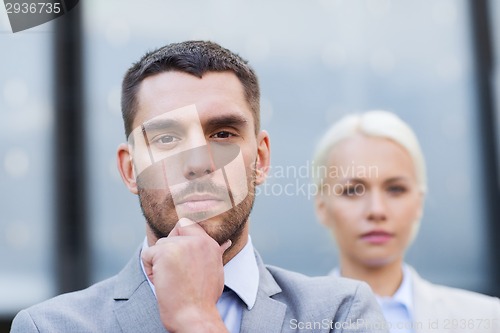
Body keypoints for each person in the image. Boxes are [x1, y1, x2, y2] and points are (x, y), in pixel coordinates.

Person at [11, 41, 388, 333]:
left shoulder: (341, 313)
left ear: (261, 159)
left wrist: (196, 318)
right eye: (167, 139)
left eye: (222, 134)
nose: (197, 164)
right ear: (130, 170)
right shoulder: (52, 327)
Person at [312, 110, 500, 333]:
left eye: (395, 189)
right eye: (353, 190)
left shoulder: (488, 320)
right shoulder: (287, 324)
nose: (377, 210)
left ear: (419, 202)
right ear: (322, 207)